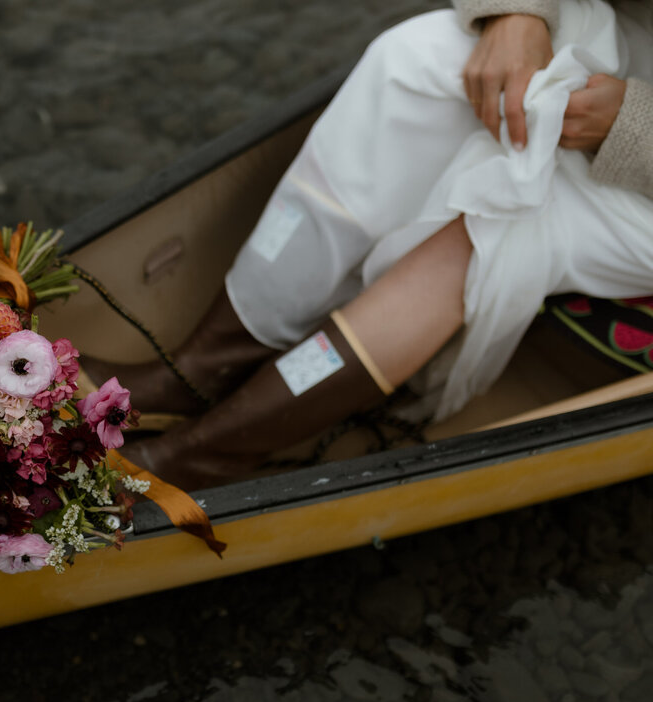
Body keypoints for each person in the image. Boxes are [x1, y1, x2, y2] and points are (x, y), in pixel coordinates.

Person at [94, 0, 653, 490]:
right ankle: (198, 371)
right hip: (632, 38)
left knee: (505, 219)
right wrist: (516, 12)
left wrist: (632, 125)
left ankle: (195, 456)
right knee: (412, 62)